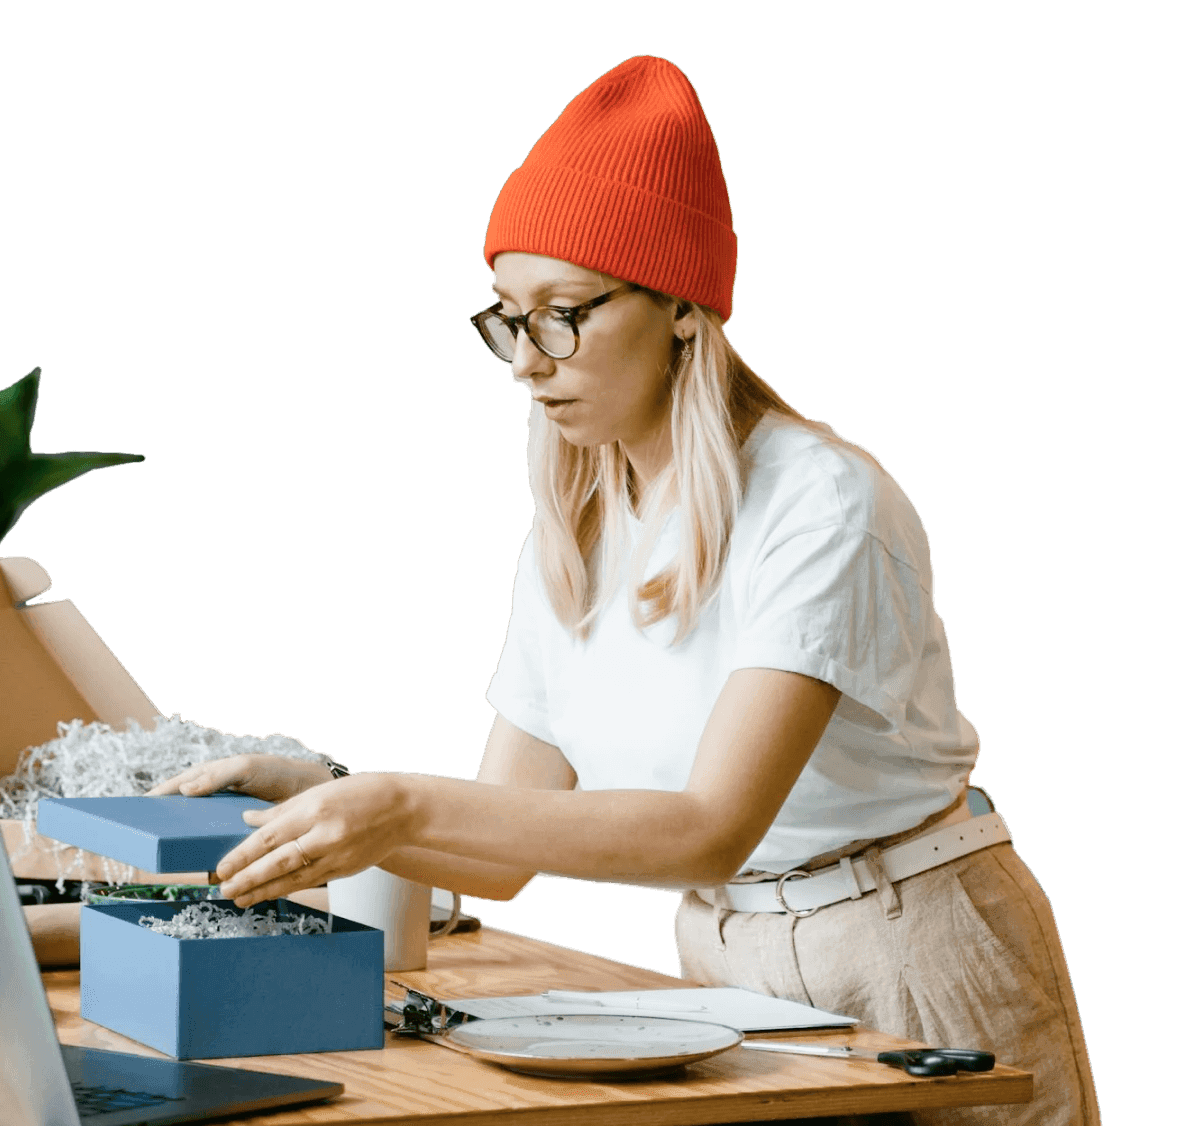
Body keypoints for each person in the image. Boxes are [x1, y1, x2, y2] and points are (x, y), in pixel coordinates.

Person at [148, 55, 1098, 1126]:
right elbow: (509, 843)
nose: (524, 359)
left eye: (565, 312)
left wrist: (396, 804)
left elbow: (707, 830)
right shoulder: (577, 524)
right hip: (725, 964)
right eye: (506, 316)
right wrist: (321, 798)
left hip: (902, 947)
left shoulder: (821, 499)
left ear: (681, 309)